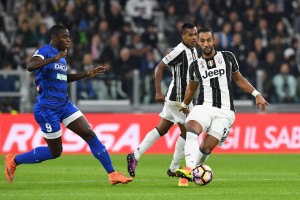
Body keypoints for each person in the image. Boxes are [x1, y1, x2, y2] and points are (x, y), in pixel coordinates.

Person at [4, 25, 133, 185]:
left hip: (64, 105)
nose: (68, 40)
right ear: (54, 37)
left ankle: (113, 174)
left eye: (68, 37)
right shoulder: (45, 52)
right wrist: (54, 59)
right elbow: (30, 66)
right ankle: (14, 159)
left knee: (89, 134)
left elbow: (63, 77)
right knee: (55, 152)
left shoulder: (62, 57)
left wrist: (87, 74)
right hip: (47, 109)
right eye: (65, 36)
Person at [174, 27, 269, 181]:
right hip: (204, 106)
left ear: (214, 41)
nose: (206, 44)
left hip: (225, 112)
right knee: (191, 128)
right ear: (198, 42)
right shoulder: (195, 66)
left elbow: (239, 79)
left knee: (206, 148)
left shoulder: (227, 57)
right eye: (202, 41)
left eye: (209, 40)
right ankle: (189, 169)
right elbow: (191, 89)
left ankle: (194, 173)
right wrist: (185, 105)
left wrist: (256, 94)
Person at [127, 22, 198, 186]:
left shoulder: (194, 50)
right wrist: (158, 91)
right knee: (189, 133)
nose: (194, 38)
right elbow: (159, 68)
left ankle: (135, 155)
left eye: (195, 34)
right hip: (178, 99)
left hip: (182, 97)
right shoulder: (178, 51)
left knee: (162, 129)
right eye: (190, 35)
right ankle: (176, 169)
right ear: (183, 36)